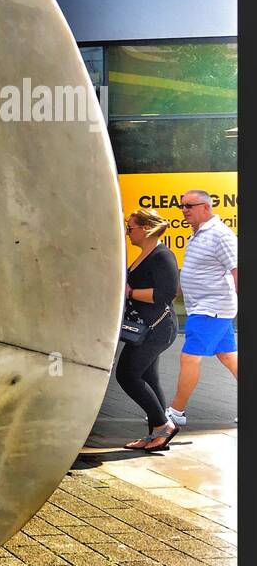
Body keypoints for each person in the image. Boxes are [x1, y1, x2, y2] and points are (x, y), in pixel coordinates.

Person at [166, 189, 238, 429]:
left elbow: (238, 270)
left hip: (211, 308)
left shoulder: (220, 235)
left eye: (190, 205)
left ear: (206, 208)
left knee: (189, 357)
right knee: (228, 357)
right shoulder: (197, 234)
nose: (184, 210)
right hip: (206, 307)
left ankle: (176, 412)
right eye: (182, 205)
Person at [115, 209, 180, 451]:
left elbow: (166, 294)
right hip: (145, 328)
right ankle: (157, 434)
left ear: (146, 229)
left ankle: (165, 426)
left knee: (127, 375)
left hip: (157, 329)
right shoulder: (145, 254)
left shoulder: (162, 256)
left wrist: (130, 293)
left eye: (131, 228)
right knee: (149, 378)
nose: (128, 232)